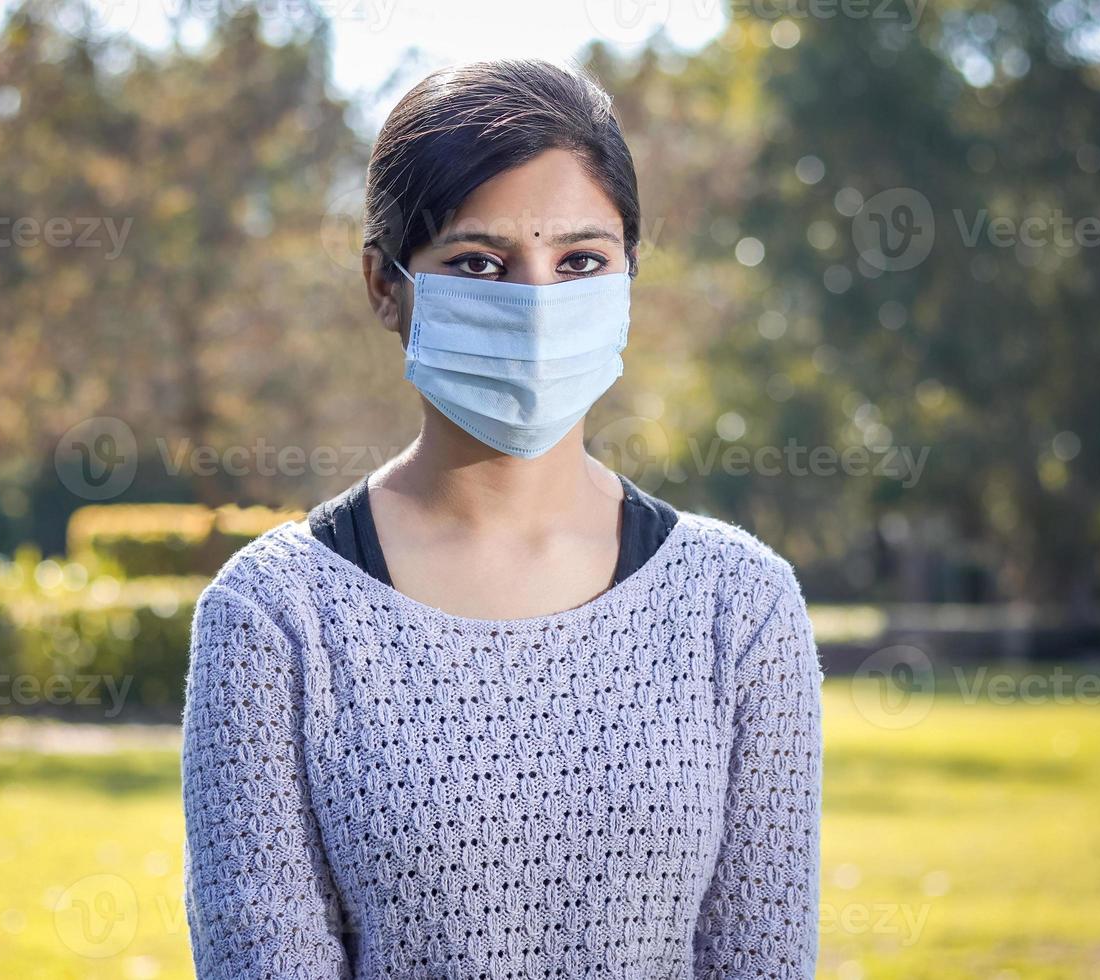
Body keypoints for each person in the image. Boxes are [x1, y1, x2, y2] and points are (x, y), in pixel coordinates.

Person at [182, 58, 822, 979]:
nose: (535, 306)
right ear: (384, 285)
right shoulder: (273, 620)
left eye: (581, 261)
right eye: (480, 262)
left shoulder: (740, 608)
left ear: (629, 279)